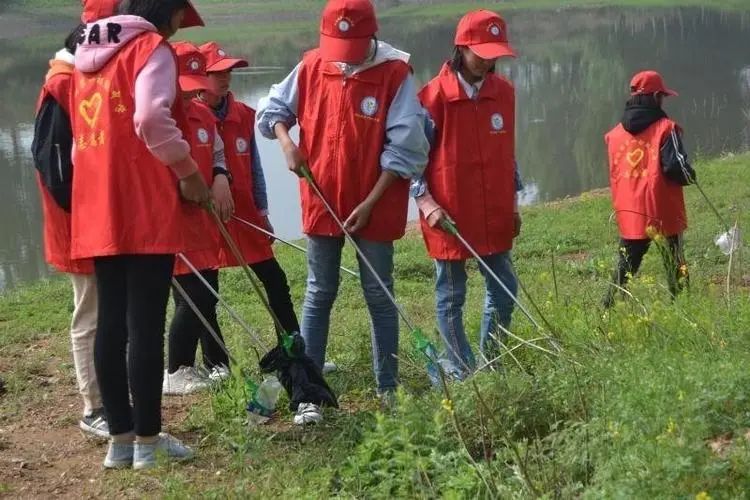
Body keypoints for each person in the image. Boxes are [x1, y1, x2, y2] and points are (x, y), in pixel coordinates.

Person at [257, 0, 429, 423]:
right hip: (322, 201)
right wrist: (286, 141)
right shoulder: (314, 65)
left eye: (352, 45)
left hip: (375, 205)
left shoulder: (394, 74)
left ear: (371, 37)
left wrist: (370, 203)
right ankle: (308, 393)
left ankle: (388, 387)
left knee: (379, 293)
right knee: (319, 291)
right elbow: (272, 110)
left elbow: (408, 147)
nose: (344, 55)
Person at [71, 0, 209, 470]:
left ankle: (120, 440)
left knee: (111, 319)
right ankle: (148, 443)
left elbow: (77, 144)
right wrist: (188, 172)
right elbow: (150, 118)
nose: (176, 29)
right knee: (144, 323)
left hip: (96, 201)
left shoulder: (82, 57)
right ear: (167, 13)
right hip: (143, 199)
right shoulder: (151, 48)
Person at [411, 10, 522, 379]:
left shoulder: (503, 93)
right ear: (461, 47)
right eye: (481, 53)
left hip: (494, 211)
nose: (488, 61)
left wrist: (514, 203)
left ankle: (492, 359)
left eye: (495, 54)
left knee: (505, 288)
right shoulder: (432, 97)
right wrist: (425, 203)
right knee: (451, 296)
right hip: (449, 215)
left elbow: (509, 152)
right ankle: (462, 369)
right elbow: (411, 160)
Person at [31, 1, 117, 440]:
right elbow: (52, 164)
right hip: (77, 222)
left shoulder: (86, 77)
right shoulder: (61, 83)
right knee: (90, 314)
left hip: (99, 218)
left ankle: (112, 396)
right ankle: (93, 406)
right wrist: (84, 214)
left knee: (108, 310)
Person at [195, 41, 302, 379]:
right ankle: (217, 364)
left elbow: (255, 167)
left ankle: (294, 348)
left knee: (275, 279)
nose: (225, 79)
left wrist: (264, 209)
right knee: (205, 291)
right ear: (201, 76)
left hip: (245, 214)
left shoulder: (243, 114)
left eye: (228, 72)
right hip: (207, 217)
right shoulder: (190, 115)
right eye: (217, 73)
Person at [163, 41, 235, 395]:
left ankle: (214, 363)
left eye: (195, 89)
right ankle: (176, 369)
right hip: (174, 225)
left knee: (207, 293)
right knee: (194, 297)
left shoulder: (204, 115)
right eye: (184, 88)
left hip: (205, 222)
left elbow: (218, 152)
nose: (190, 96)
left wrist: (221, 177)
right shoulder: (158, 118)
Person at [603, 70, 695, 308]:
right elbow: (676, 167)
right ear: (656, 97)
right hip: (661, 209)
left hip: (630, 211)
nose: (663, 100)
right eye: (662, 96)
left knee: (625, 266)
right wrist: (690, 175)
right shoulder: (666, 128)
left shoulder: (614, 135)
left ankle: (608, 309)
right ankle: (684, 305)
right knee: (676, 263)